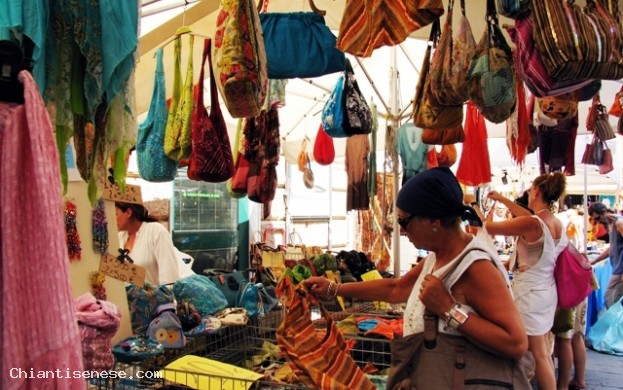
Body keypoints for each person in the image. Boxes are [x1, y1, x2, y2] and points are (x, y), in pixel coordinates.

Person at [305, 168, 529, 384]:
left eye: (404, 221)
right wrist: (334, 289)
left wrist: (449, 309)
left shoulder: (476, 266)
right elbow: (396, 289)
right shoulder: (438, 256)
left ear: (434, 220)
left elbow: (516, 343)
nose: (401, 229)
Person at [484, 172, 567, 390]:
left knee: (538, 354)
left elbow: (488, 228)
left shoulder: (533, 224)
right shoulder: (555, 222)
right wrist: (502, 200)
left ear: (536, 191)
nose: (529, 194)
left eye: (530, 190)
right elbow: (529, 217)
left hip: (531, 295)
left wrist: (472, 209)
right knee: (544, 352)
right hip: (546, 292)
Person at [115, 201, 193, 285]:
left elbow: (169, 279)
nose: (110, 219)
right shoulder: (119, 237)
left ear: (128, 213)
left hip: (153, 297)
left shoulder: (156, 231)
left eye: (115, 214)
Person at [588, 202, 623, 308]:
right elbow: (612, 248)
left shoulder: (619, 223)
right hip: (617, 269)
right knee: (612, 300)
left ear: (604, 212)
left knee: (611, 299)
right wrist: (594, 261)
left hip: (620, 270)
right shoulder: (611, 224)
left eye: (597, 218)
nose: (597, 222)